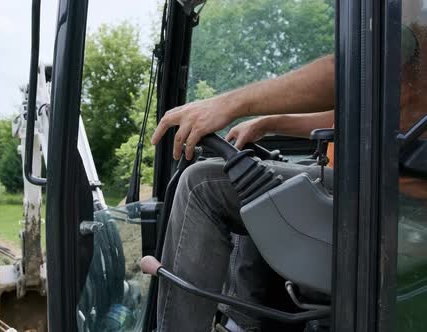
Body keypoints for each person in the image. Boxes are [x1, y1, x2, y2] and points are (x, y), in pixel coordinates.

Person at [153, 8, 427, 329]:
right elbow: (357, 107)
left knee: (202, 184)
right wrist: (272, 123)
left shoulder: (405, 25)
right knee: (252, 180)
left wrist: (229, 103)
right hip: (373, 193)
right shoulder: (405, 47)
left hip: (395, 211)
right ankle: (240, 324)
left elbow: (352, 68)